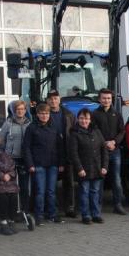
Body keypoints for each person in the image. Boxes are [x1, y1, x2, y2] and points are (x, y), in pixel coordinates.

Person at [24, 103, 65, 225]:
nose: (44, 116)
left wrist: (61, 163)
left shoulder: (54, 127)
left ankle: (52, 214)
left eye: (47, 113)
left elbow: (60, 146)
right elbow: (26, 147)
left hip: (53, 164)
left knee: (51, 191)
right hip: (38, 164)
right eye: (42, 113)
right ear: (37, 114)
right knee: (40, 191)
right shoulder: (31, 128)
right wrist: (30, 164)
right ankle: (39, 215)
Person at [68, 109, 109, 224]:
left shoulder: (97, 131)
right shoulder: (74, 133)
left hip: (97, 168)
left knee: (95, 192)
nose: (84, 121)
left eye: (86, 118)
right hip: (83, 170)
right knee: (84, 192)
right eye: (81, 118)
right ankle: (86, 215)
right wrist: (79, 168)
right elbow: (73, 153)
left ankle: (96, 214)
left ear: (90, 120)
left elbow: (104, 149)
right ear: (78, 119)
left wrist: (104, 166)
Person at [92, 89, 126, 215]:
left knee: (116, 179)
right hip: (100, 152)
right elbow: (94, 131)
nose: (106, 100)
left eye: (109, 98)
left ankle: (118, 205)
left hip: (114, 151)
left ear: (111, 100)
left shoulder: (117, 114)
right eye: (104, 98)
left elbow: (122, 131)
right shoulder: (94, 115)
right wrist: (104, 143)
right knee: (99, 179)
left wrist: (114, 142)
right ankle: (97, 206)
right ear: (99, 99)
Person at [46, 90, 76, 218]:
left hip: (67, 151)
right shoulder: (44, 114)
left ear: (59, 99)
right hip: (51, 153)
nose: (53, 101)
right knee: (51, 183)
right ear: (47, 101)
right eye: (51, 99)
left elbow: (74, 131)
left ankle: (70, 207)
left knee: (69, 181)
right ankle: (54, 208)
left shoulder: (68, 114)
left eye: (55, 98)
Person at [0, 100, 32, 213]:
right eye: (18, 109)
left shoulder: (29, 123)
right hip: (11, 160)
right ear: (13, 111)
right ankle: (12, 211)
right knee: (11, 187)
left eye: (22, 109)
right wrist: (3, 157)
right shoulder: (8, 124)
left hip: (25, 159)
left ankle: (25, 210)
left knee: (25, 186)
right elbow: (1, 142)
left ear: (25, 110)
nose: (20, 111)